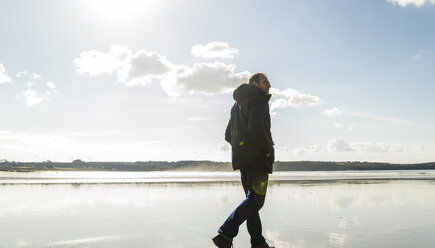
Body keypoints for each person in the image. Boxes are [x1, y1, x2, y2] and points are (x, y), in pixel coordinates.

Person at [212, 73, 275, 248]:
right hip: (257, 159)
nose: (269, 85)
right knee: (256, 201)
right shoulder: (259, 100)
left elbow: (228, 135)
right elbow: (256, 126)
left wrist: (242, 147)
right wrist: (267, 151)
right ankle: (225, 233)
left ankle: (258, 243)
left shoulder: (236, 104)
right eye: (265, 82)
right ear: (254, 84)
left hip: (243, 160)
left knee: (251, 203)